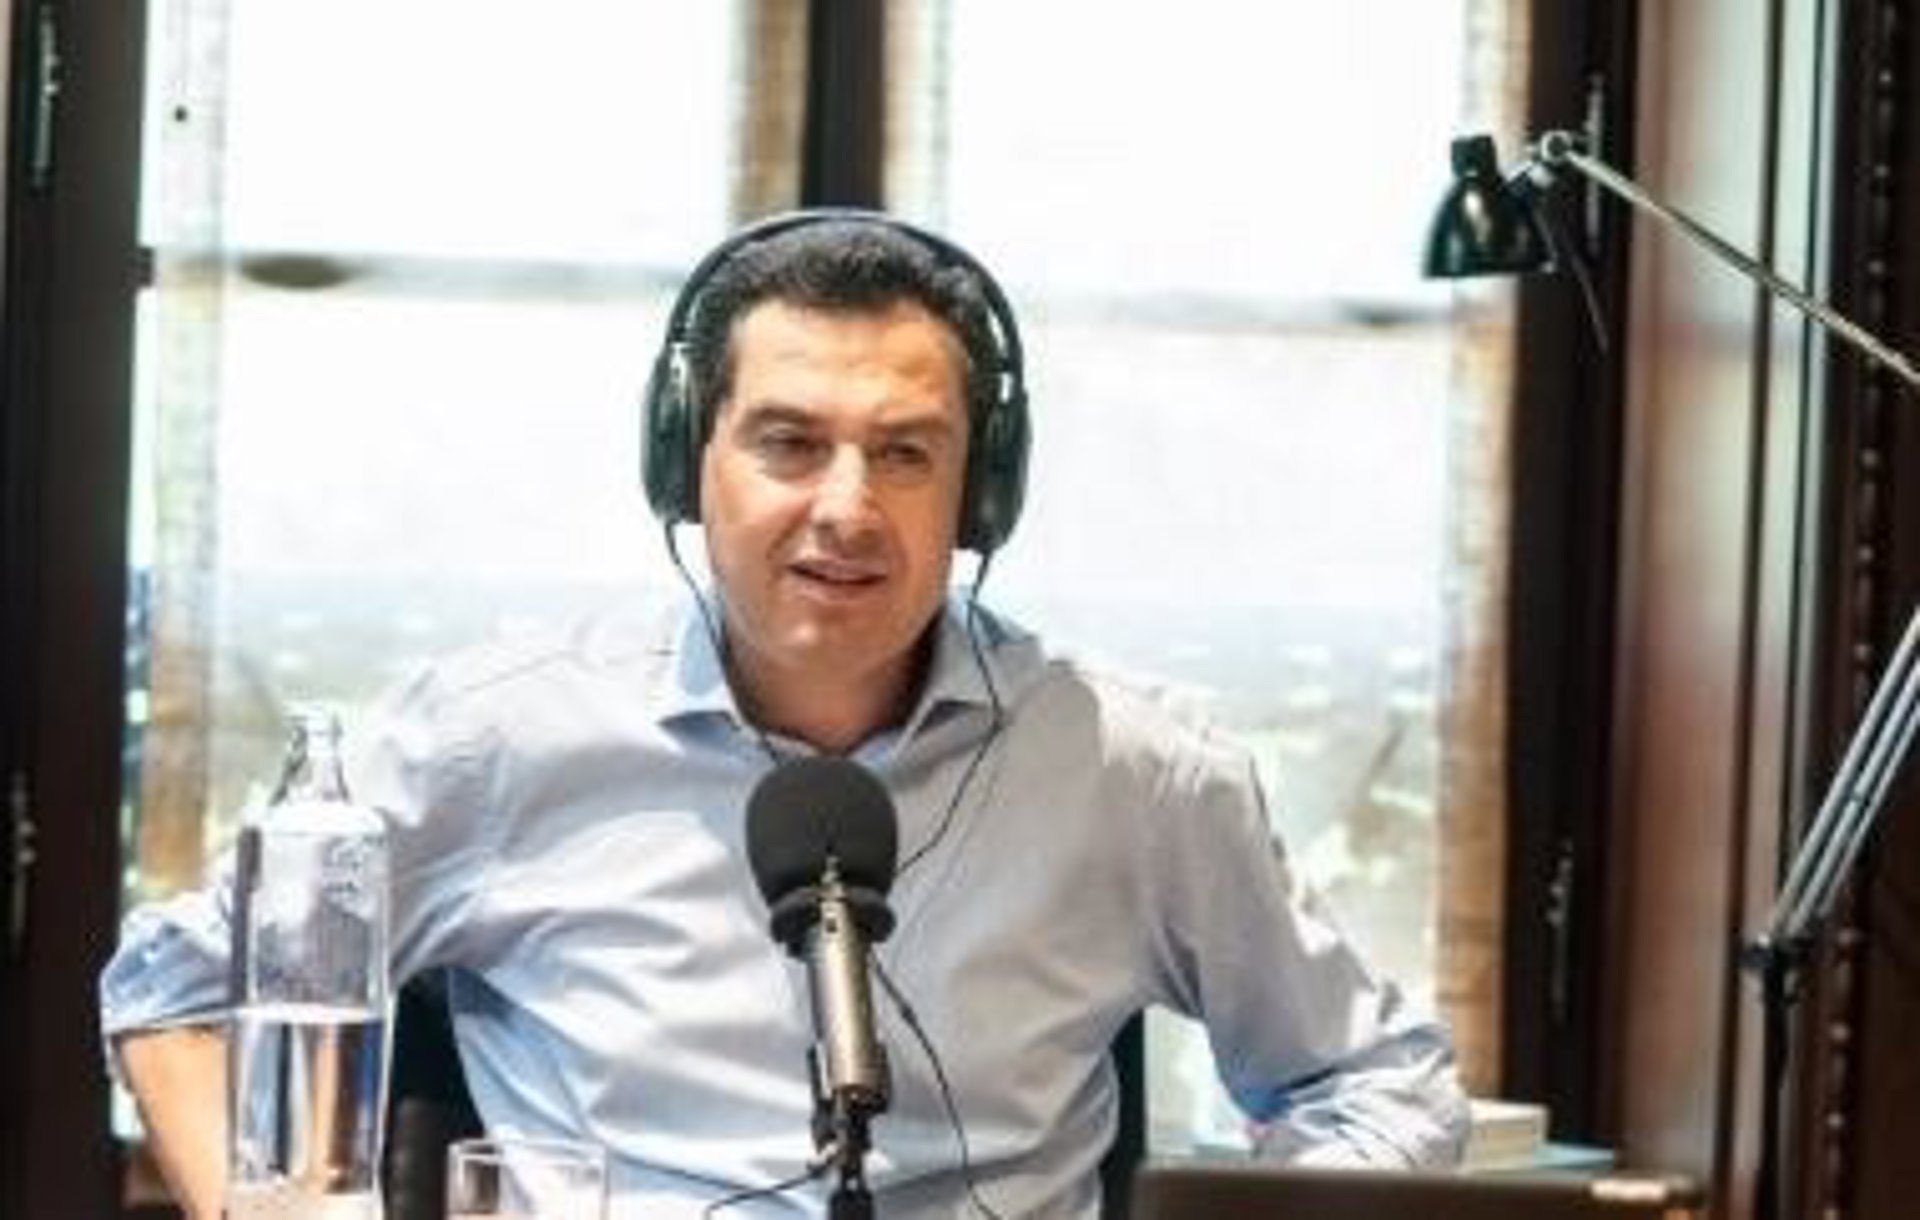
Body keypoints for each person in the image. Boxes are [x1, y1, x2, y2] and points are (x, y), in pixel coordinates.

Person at [101, 211, 1468, 1219]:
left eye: (907, 453)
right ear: (688, 464)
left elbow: (1378, 1081)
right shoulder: (494, 739)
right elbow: (171, 988)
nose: (847, 508)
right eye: (789, 443)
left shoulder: (1134, 773)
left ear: (979, 495)